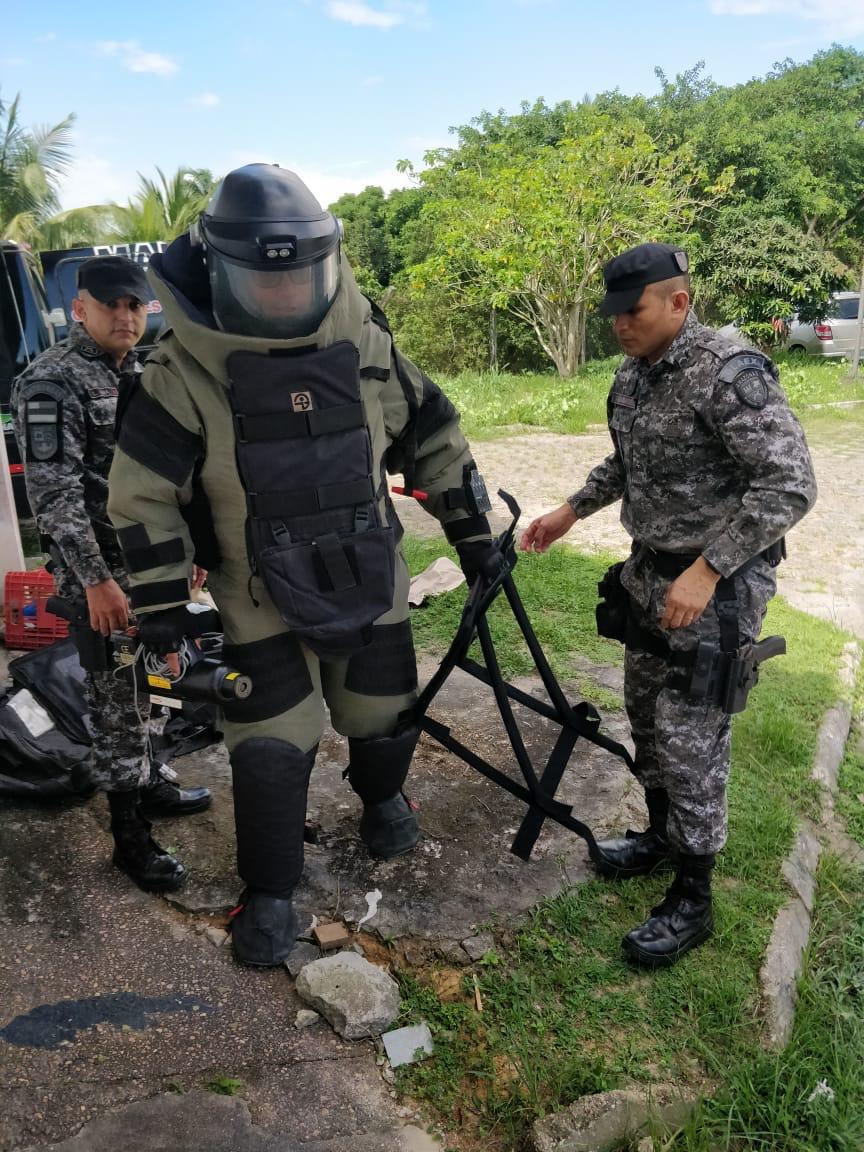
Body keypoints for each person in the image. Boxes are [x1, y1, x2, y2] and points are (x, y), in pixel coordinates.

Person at [106, 164, 499, 966]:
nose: (284, 295)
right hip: (255, 594)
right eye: (264, 281)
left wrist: (473, 535)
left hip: (370, 572)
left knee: (381, 708)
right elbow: (142, 498)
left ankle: (384, 798)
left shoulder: (366, 343)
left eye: (300, 277)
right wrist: (162, 609)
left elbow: (433, 436)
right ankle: (273, 893)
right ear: (221, 272)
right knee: (272, 742)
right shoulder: (180, 372)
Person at [521, 242, 816, 968]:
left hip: (717, 589)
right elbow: (628, 462)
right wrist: (571, 510)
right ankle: (659, 836)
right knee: (647, 716)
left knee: (691, 739)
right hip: (649, 578)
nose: (620, 324)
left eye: (635, 310)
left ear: (679, 303)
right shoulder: (632, 376)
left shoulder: (727, 373)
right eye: (613, 313)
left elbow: (789, 484)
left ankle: (695, 896)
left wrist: (709, 570)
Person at [12, 256, 212, 894]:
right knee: (117, 701)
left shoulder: (148, 371)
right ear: (80, 309)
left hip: (156, 565)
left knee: (158, 680)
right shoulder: (50, 382)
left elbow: (176, 471)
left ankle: (149, 782)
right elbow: (56, 495)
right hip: (102, 575)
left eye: (136, 305)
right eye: (111, 305)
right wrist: (97, 581)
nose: (126, 316)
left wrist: (193, 547)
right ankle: (130, 838)